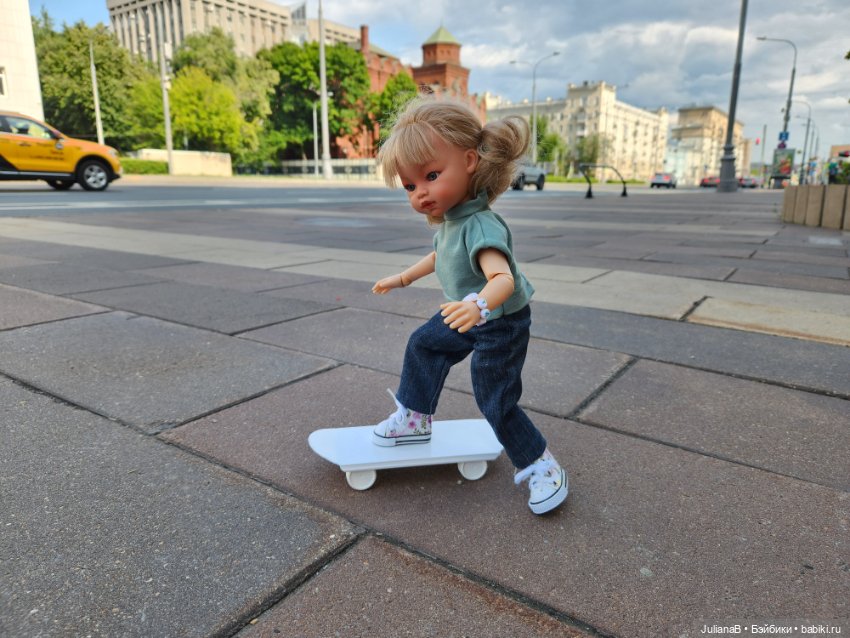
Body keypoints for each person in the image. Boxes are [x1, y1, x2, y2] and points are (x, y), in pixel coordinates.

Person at [370, 96, 567, 515]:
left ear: (471, 161)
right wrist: (403, 277)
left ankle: (540, 463)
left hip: (500, 320)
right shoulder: (452, 221)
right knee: (425, 344)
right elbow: (440, 256)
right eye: (410, 186)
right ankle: (414, 417)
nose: (421, 193)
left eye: (432, 176)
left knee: (494, 397)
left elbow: (502, 278)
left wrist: (478, 306)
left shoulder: (480, 223)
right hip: (468, 313)